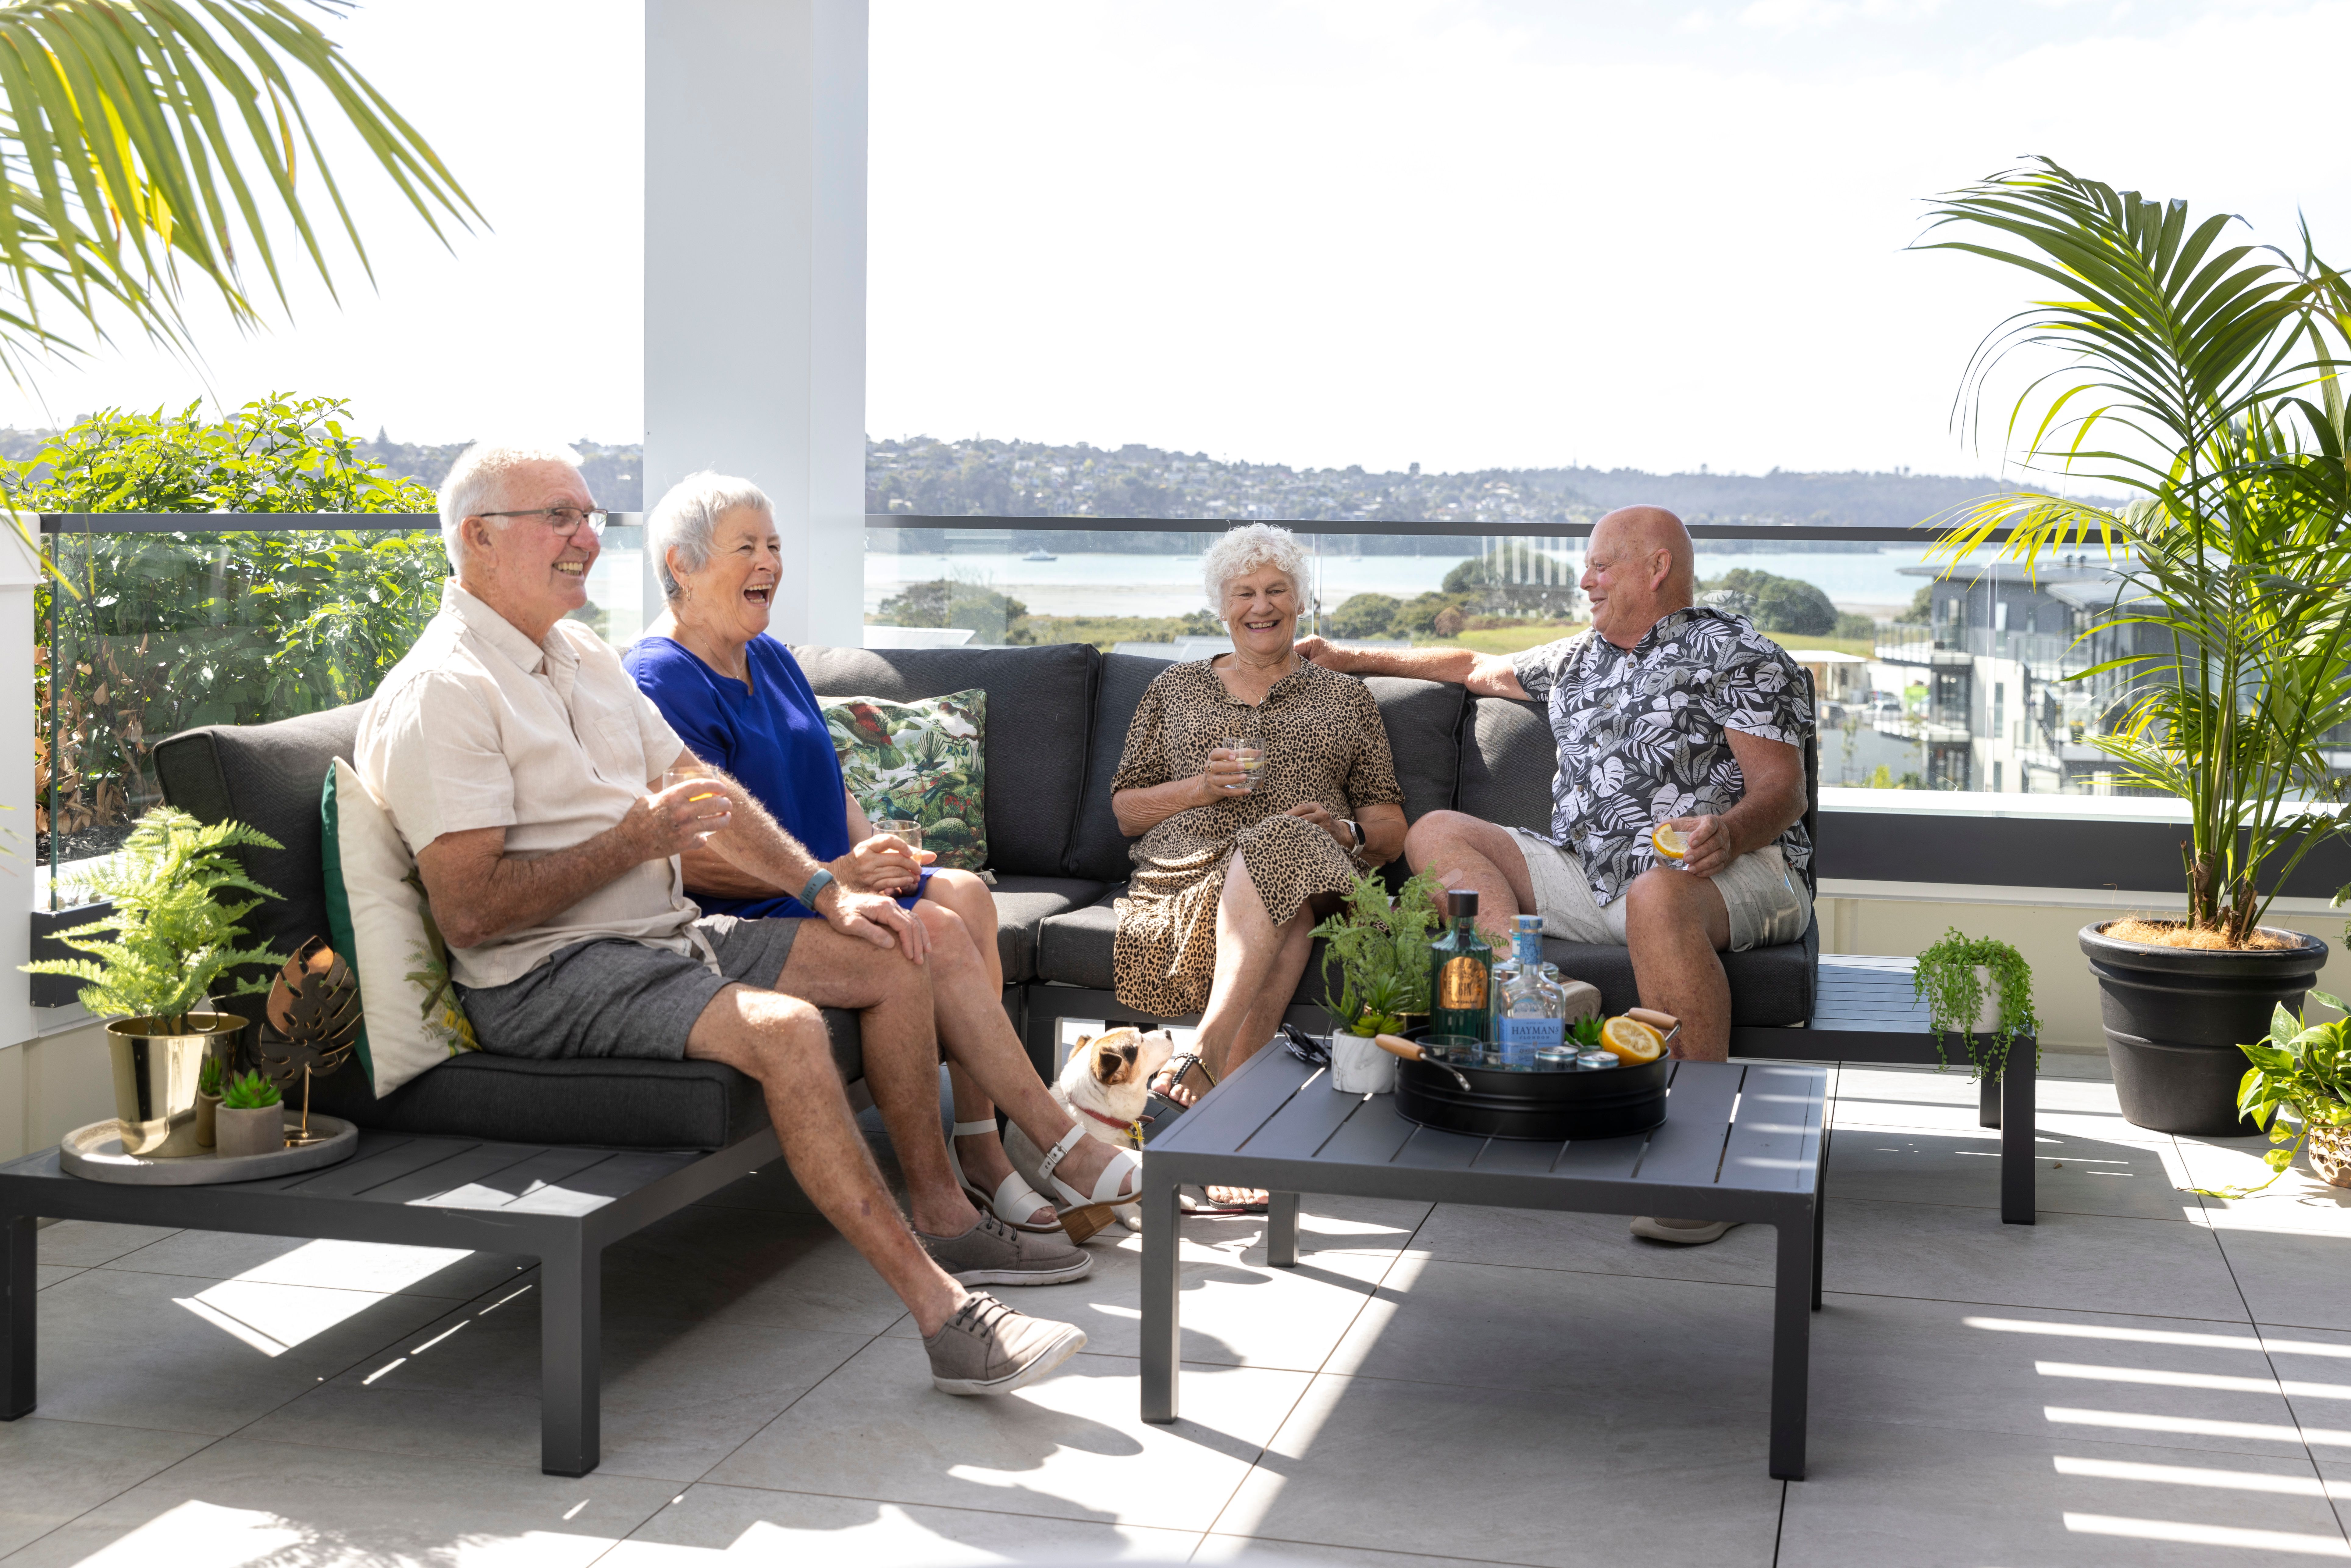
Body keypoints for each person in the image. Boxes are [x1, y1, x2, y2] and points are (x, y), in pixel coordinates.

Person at [357, 441, 1090, 1395]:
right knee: (787, 1033)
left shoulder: (578, 654)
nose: (589, 536)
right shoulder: (446, 691)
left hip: (660, 939)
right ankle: (946, 1315)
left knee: (894, 945)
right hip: (549, 973)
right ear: (479, 540)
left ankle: (948, 1209)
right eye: (562, 518)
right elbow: (473, 915)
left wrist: (832, 893)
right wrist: (633, 842)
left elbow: (704, 791)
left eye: (589, 516)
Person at [621, 472, 1140, 1236]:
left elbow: (829, 785)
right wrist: (829, 877)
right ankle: (1051, 1142)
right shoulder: (660, 679)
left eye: (774, 545)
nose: (769, 562)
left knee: (961, 891)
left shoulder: (772, 659)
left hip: (832, 880)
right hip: (758, 904)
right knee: (936, 932)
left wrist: (870, 844)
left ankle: (981, 1144)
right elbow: (688, 855)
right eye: (747, 547)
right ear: (681, 565)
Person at [1296, 505, 1811, 1246]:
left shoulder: (1736, 653)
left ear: (1656, 566)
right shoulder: (1580, 656)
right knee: (1437, 831)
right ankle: (1527, 982)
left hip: (1729, 872)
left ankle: (1703, 1164)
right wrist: (1348, 657)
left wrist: (1726, 832)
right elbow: (1470, 667)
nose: (1585, 580)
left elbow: (1781, 790)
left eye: (1600, 565)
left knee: (1656, 892)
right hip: (1588, 872)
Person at [1115, 523, 1409, 1207]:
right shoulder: (1176, 687)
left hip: (1317, 861)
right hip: (1193, 868)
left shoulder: (1345, 698)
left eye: (1276, 589)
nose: (1261, 604)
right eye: (1244, 591)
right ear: (1221, 606)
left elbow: (1390, 825)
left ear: (1299, 602)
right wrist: (1201, 788)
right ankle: (1237, 1131)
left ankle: (1207, 1055)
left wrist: (1343, 828)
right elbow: (1126, 809)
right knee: (1292, 912)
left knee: (1283, 843)